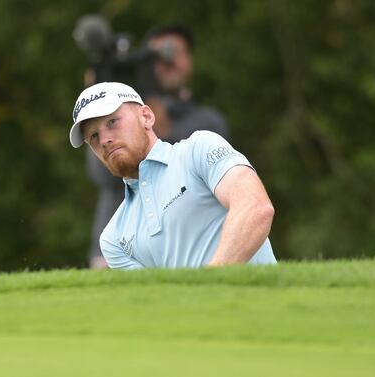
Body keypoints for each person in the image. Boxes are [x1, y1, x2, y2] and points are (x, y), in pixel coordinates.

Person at [71, 81, 276, 269]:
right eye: (94, 136)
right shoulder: (113, 239)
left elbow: (255, 208)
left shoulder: (199, 150)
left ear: (146, 117)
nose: (104, 140)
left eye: (112, 122)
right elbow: (156, 296)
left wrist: (211, 281)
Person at [86, 25, 229, 268]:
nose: (165, 63)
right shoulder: (114, 122)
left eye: (173, 53)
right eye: (157, 58)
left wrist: (153, 125)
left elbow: (183, 167)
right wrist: (99, 109)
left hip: (190, 248)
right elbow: (102, 174)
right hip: (120, 245)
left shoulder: (206, 122)